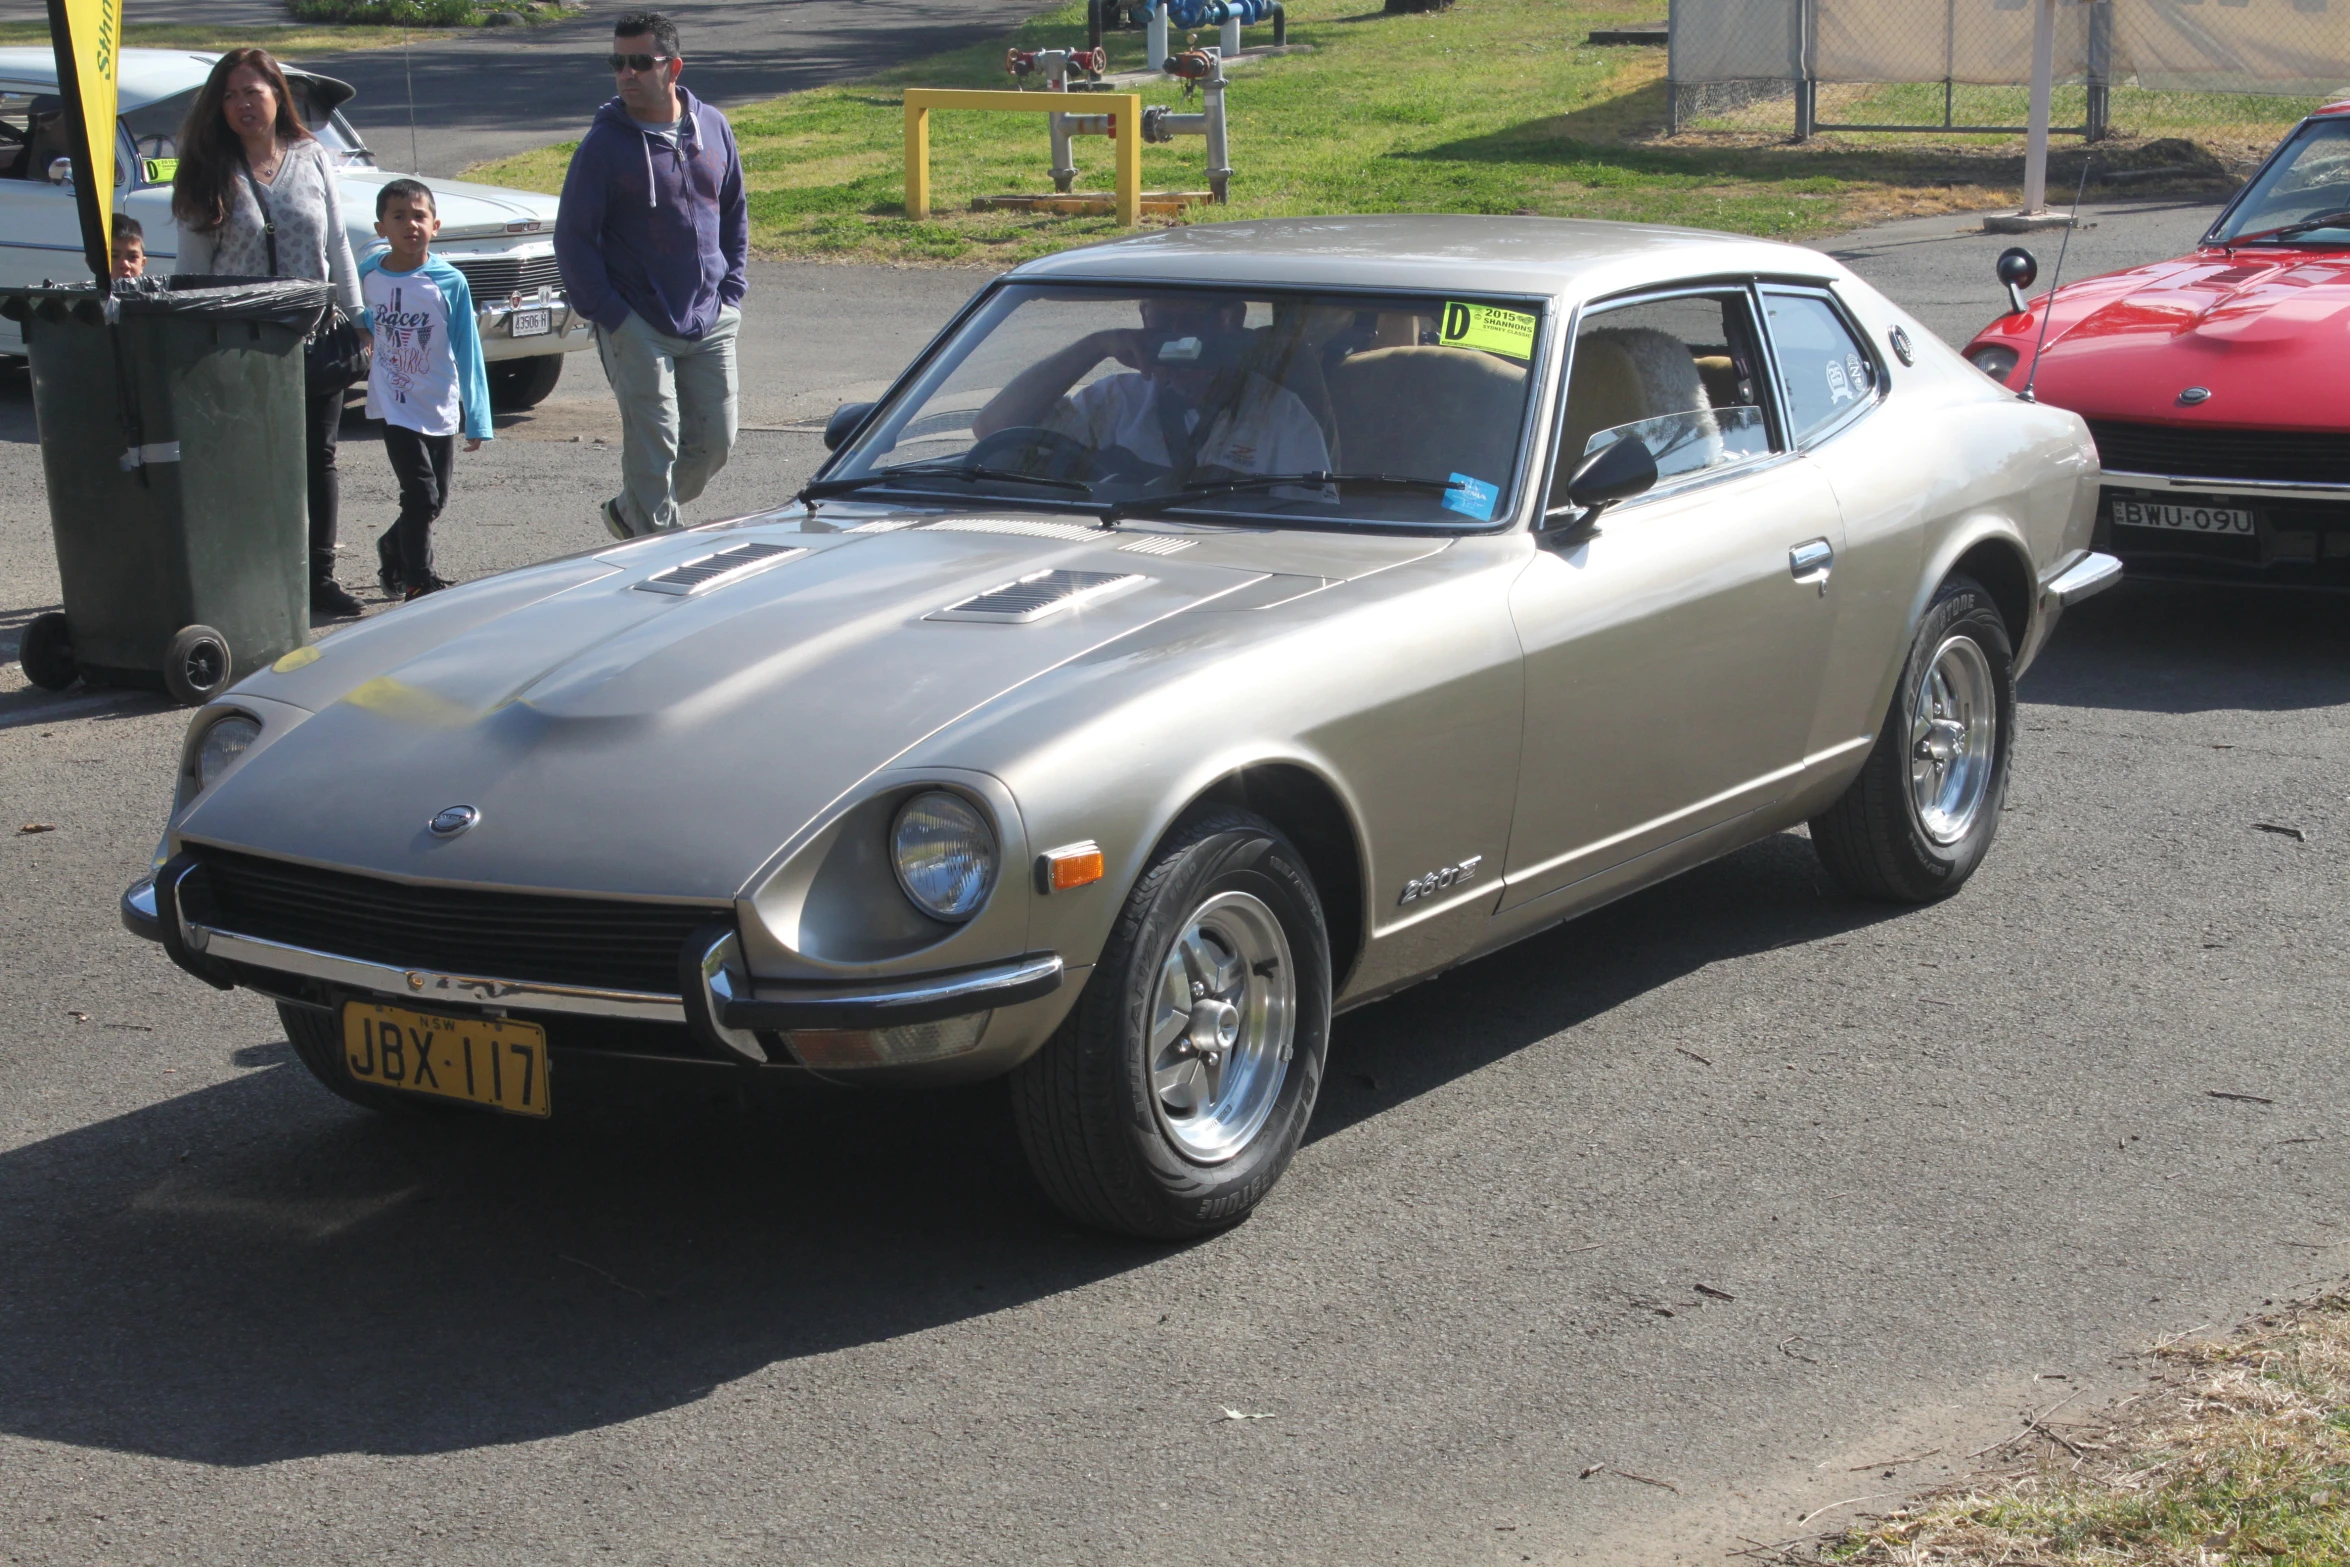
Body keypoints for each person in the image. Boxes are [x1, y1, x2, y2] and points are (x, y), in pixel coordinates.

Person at [170, 47, 365, 617]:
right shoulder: (206, 167)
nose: (241, 105)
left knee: (317, 458)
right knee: (247, 462)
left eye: (252, 92)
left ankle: (318, 577)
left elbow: (339, 245)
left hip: (313, 335)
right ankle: (249, 574)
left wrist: (361, 322)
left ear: (278, 96)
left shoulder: (312, 156)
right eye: (229, 95)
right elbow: (193, 275)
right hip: (238, 344)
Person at [553, 10, 748, 539]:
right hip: (636, 321)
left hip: (710, 316)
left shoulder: (713, 127)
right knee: (654, 442)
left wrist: (731, 291)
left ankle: (630, 513)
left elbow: (732, 211)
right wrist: (613, 315)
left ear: (674, 67)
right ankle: (657, 548)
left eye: (641, 62)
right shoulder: (603, 147)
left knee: (715, 443)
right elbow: (573, 239)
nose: (626, 73)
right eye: (618, 62)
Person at [972, 293, 1329, 478]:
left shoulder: (1280, 415)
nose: (1175, 337)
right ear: (1143, 320)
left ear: (1230, 321)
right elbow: (993, 427)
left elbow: (1311, 525)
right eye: (1162, 323)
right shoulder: (1114, 400)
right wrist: (1093, 346)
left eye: (1191, 322)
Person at [358, 179, 491, 601]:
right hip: (394, 404)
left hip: (437, 402)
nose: (410, 224)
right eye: (399, 216)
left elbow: (468, 350)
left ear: (436, 225)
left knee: (436, 499)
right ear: (381, 228)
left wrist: (478, 417)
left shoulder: (449, 282)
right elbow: (352, 312)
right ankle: (420, 580)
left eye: (419, 216)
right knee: (420, 493)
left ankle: (394, 544)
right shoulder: (368, 274)